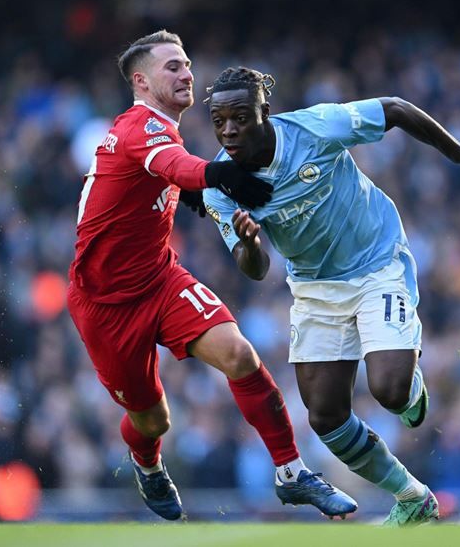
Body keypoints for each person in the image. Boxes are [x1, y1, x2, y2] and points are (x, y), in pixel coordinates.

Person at [202, 66, 460, 526]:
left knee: (388, 390)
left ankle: (411, 391)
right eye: (220, 120)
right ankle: (413, 497)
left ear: (264, 112)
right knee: (325, 418)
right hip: (313, 287)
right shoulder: (219, 183)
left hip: (375, 262)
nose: (229, 130)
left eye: (241, 117)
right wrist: (249, 244)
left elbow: (395, 109)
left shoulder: (313, 128)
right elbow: (257, 269)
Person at [66, 32, 357, 521]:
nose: (186, 75)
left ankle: (292, 473)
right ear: (141, 81)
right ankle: (148, 464)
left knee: (240, 354)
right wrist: (219, 179)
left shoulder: (159, 130)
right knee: (152, 419)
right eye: (172, 68)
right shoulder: (140, 126)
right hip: (106, 305)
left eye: (187, 65)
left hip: (159, 280)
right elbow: (176, 165)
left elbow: (162, 179)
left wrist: (198, 196)